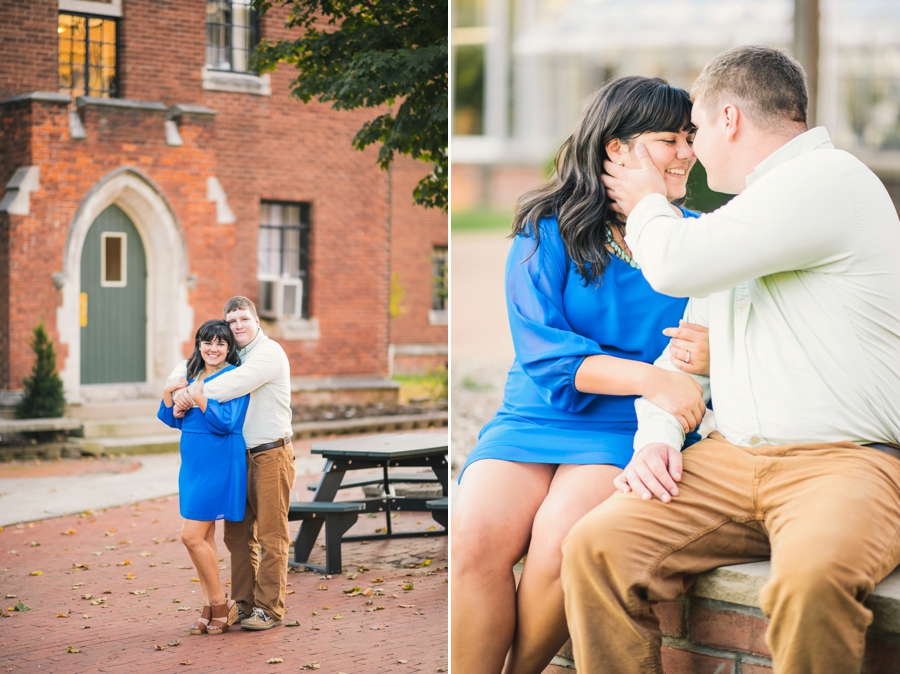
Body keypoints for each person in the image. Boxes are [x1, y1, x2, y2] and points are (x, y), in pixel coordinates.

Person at [562, 45, 900, 674]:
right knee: (595, 548)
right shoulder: (748, 215)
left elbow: (675, 265)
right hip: (730, 459)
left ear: (729, 119)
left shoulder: (830, 181)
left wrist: (643, 202)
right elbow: (685, 349)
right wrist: (657, 438)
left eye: (694, 128)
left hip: (843, 461)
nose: (690, 149)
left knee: (810, 585)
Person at [451, 76, 713, 674]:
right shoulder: (546, 227)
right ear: (616, 149)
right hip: (536, 411)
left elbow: (719, 333)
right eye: (669, 138)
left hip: (629, 425)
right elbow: (547, 354)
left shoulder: (694, 236)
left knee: (558, 544)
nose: (686, 152)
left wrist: (705, 355)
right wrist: (654, 378)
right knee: (476, 538)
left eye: (689, 137)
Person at [169, 296, 294, 631]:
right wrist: (179, 383)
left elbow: (230, 384)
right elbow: (188, 363)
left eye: (244, 319)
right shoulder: (231, 354)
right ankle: (244, 603)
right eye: (232, 320)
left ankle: (269, 608)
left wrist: (189, 391)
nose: (238, 326)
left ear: (257, 321)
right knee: (237, 538)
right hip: (237, 460)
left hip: (270, 454)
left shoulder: (268, 353)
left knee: (271, 535)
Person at [159, 319, 249, 635]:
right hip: (193, 463)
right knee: (204, 538)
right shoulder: (192, 375)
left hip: (221, 459)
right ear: (199, 344)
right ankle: (209, 606)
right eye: (207, 342)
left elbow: (227, 422)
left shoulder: (235, 378)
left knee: (191, 536)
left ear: (229, 348)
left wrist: (197, 397)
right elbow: (172, 419)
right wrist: (171, 392)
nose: (213, 348)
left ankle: (220, 604)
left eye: (220, 343)